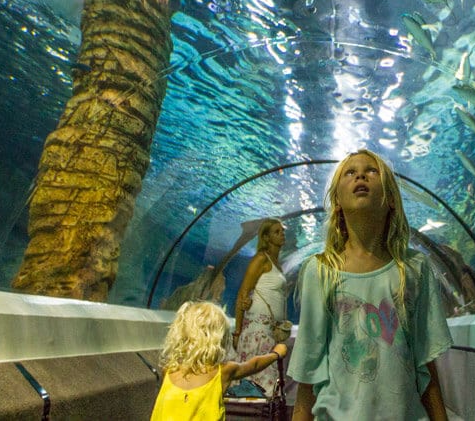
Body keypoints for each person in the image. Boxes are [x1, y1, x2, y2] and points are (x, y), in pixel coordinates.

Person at [288, 149, 453, 420]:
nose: (361, 175)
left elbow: (426, 365)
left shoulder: (414, 269)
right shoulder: (320, 271)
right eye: (350, 172)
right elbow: (309, 370)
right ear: (337, 201)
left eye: (372, 171)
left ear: (390, 199)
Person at [150, 301, 287, 421]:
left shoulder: (169, 371)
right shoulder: (222, 372)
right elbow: (254, 364)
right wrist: (276, 354)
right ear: (219, 339)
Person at [229, 218, 288, 397]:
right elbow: (243, 294)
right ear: (266, 237)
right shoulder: (261, 259)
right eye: (276, 232)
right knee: (252, 383)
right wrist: (237, 332)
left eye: (282, 231)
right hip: (257, 331)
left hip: (269, 332)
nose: (282, 234)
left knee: (265, 385)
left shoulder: (277, 263)